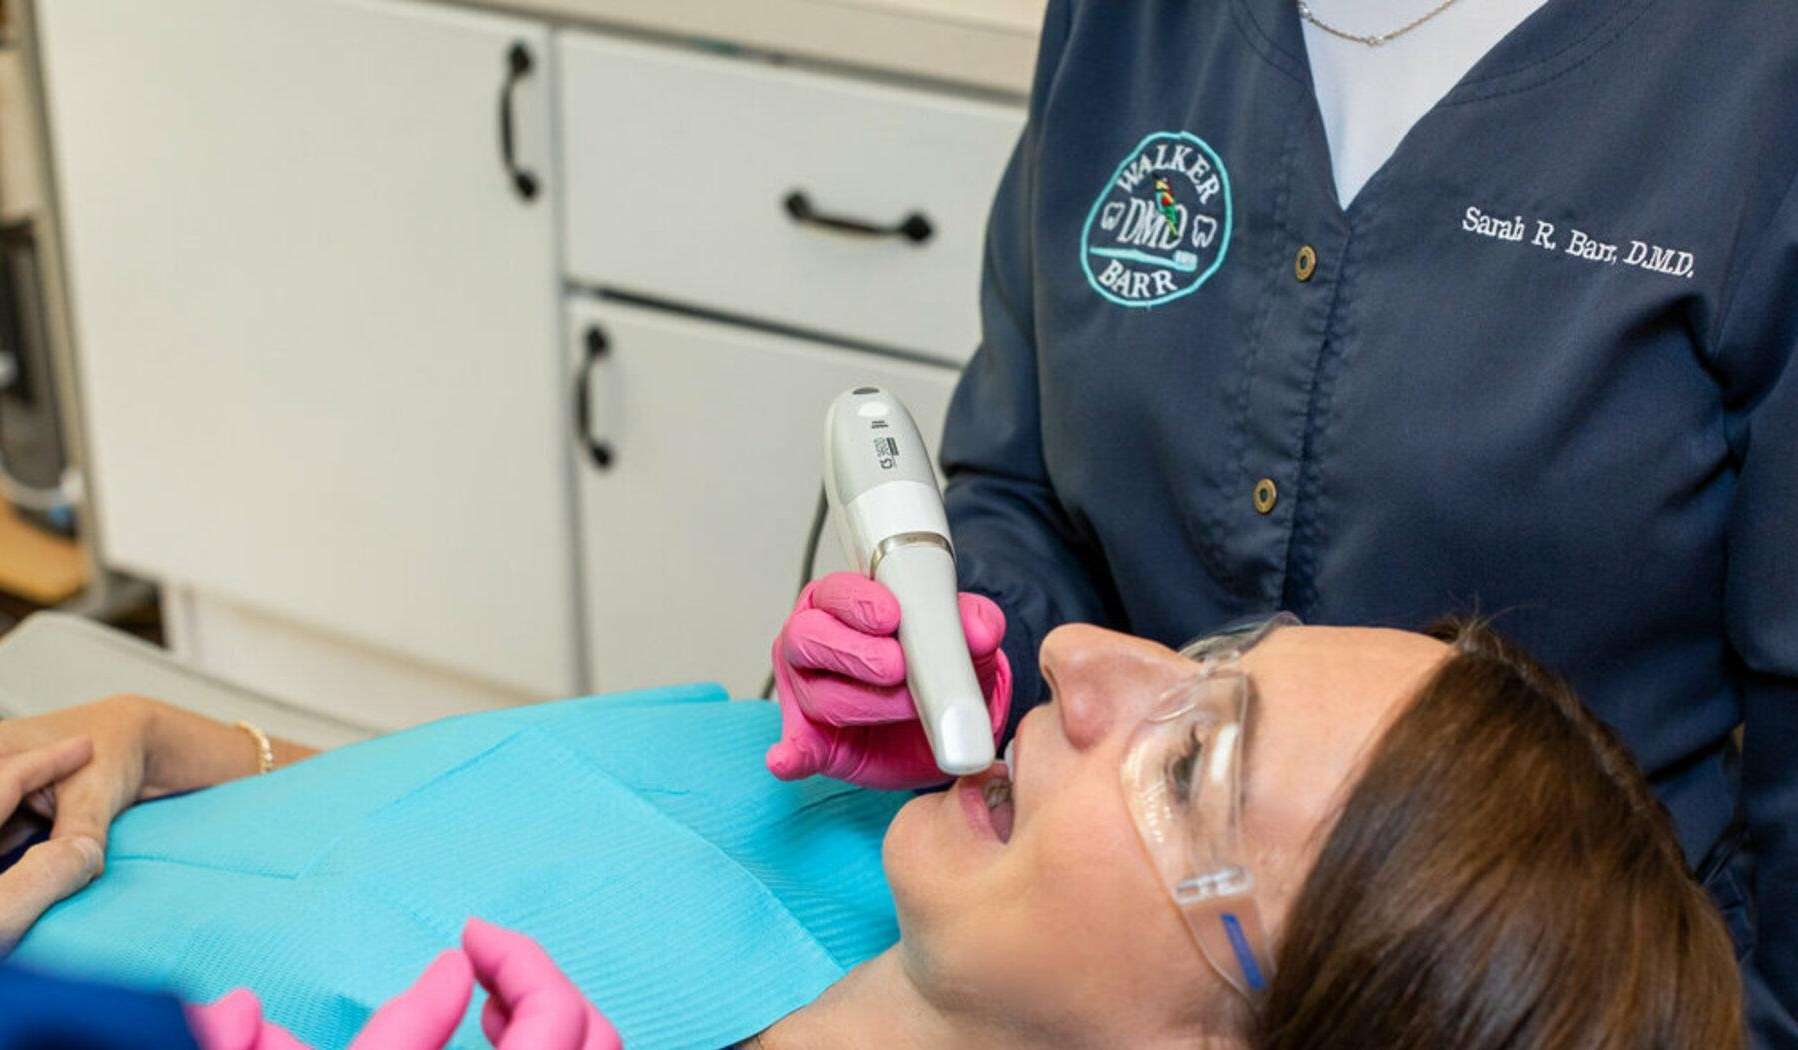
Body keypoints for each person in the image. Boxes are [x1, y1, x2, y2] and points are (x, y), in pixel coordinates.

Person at [767, 1, 1798, 1043]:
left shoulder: (1754, 88)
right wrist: (968, 657)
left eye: (1190, 761)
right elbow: (1026, 482)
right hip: (1079, 957)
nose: (1086, 659)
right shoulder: (1130, 29)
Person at [0, 617, 1744, 1047]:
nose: (1073, 655)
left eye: (1191, 760)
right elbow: (479, 812)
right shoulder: (850, 839)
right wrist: (191, 746)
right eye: (1206, 655)